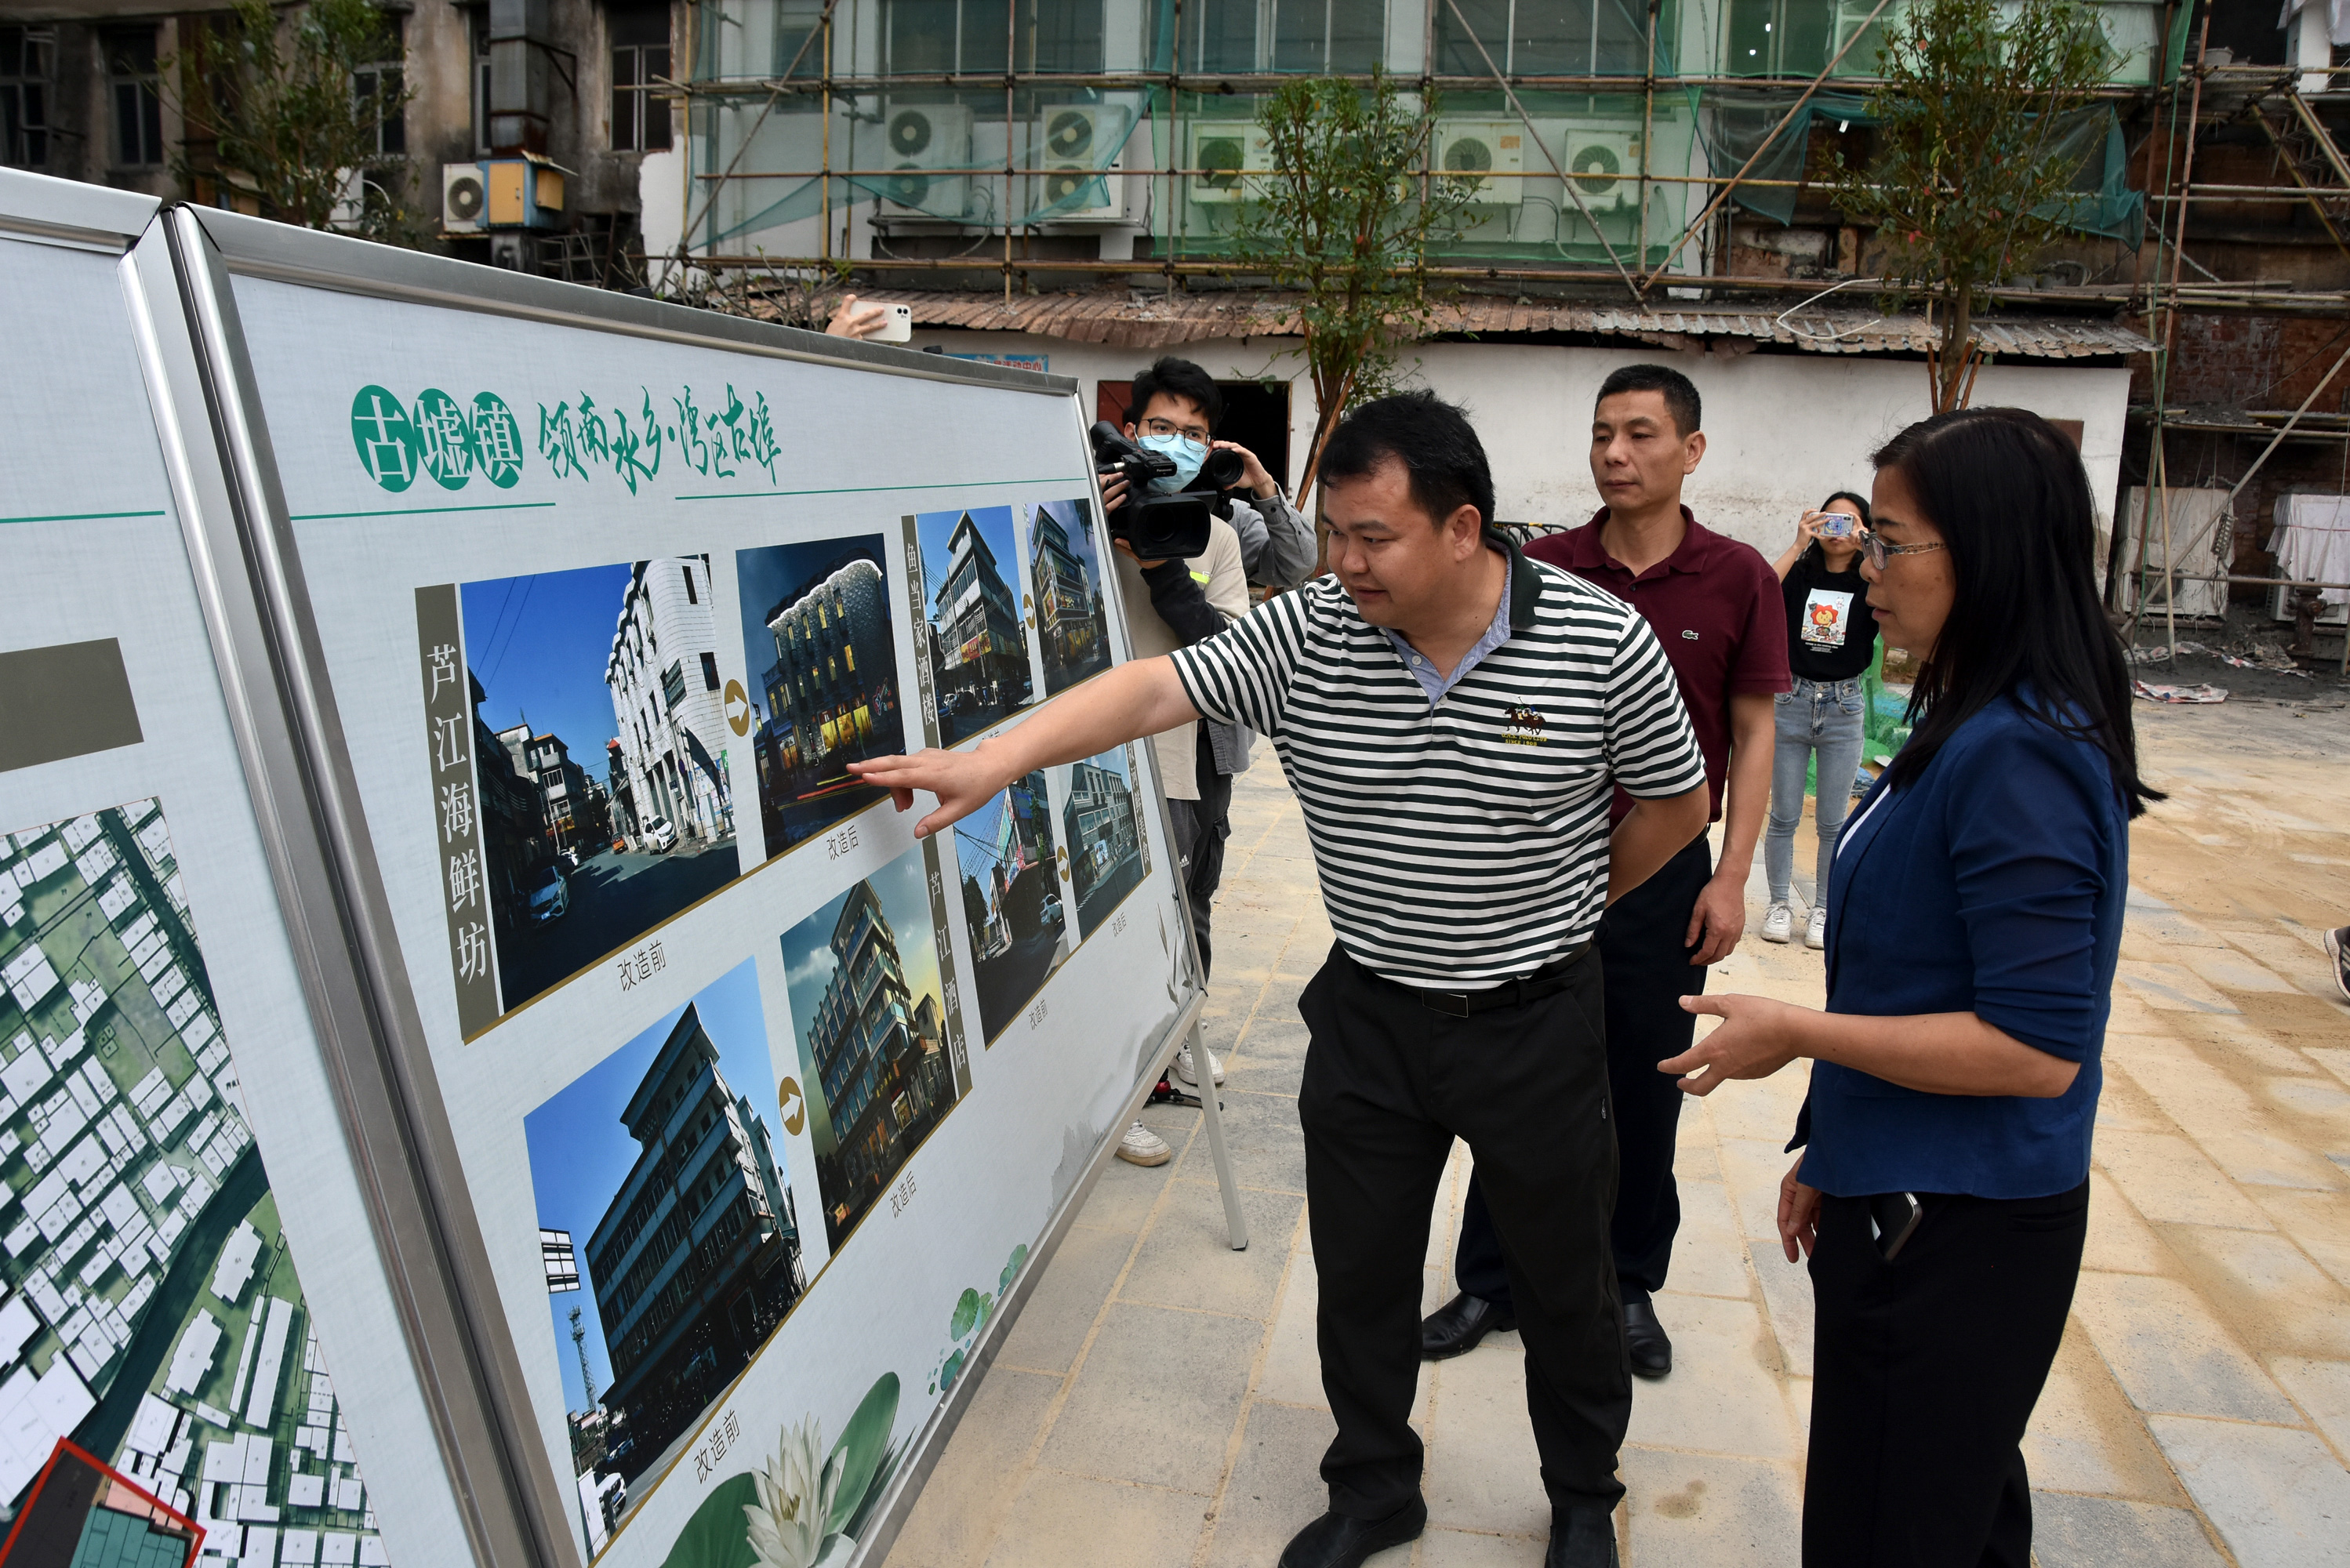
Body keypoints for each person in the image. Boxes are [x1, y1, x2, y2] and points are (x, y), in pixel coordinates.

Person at [852, 390, 1709, 1568]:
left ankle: (1579, 1492)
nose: (1342, 561)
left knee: (1564, 1279)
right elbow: (1161, 689)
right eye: (1335, 531)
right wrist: (996, 758)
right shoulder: (1311, 628)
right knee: (1359, 1274)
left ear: (1463, 529)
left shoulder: (1600, 643)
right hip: (1370, 1017)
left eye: (1372, 538)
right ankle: (1374, 1488)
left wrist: (1569, 909)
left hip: (1533, 1024)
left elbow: (1675, 802)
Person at [1660, 407, 2158, 1568]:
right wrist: (1834, 1144)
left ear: (1983, 551)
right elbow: (1915, 973)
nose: (1864, 570)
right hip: (1908, 1189)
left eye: (1889, 542)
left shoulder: (2019, 750)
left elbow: (2034, 1049)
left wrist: (1793, 1030)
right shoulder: (1965, 711)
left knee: (1893, 1528)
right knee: (1950, 1508)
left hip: (1956, 1232)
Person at [1424, 365, 1787, 1381]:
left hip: (1668, 876)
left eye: (1639, 434)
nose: (1616, 455)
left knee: (1641, 1082)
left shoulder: (1739, 577)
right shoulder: (1541, 566)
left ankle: (1624, 1283)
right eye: (1601, 436)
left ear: (1691, 451)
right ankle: (1492, 1280)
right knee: (1515, 1079)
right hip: (1541, 871)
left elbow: (1754, 735)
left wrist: (1733, 878)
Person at [1103, 358, 1313, 1116]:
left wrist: (1167, 565)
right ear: (1129, 433)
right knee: (1117, 914)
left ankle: (1175, 1044)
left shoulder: (1222, 530)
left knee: (1192, 898)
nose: (1176, 444)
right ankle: (1121, 1083)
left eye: (1194, 433)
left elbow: (1225, 644)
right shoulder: (1077, 512)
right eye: (1161, 428)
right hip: (1110, 755)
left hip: (1198, 751)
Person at [1762, 491, 1881, 950]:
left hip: (1844, 707)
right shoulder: (1801, 576)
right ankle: (1778, 905)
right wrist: (1797, 543)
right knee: (1784, 815)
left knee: (1833, 822)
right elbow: (1761, 592)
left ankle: (1824, 910)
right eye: (1831, 521)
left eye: (1850, 523)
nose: (1839, 531)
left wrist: (1871, 546)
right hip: (1790, 700)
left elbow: (1898, 586)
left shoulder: (1870, 580)